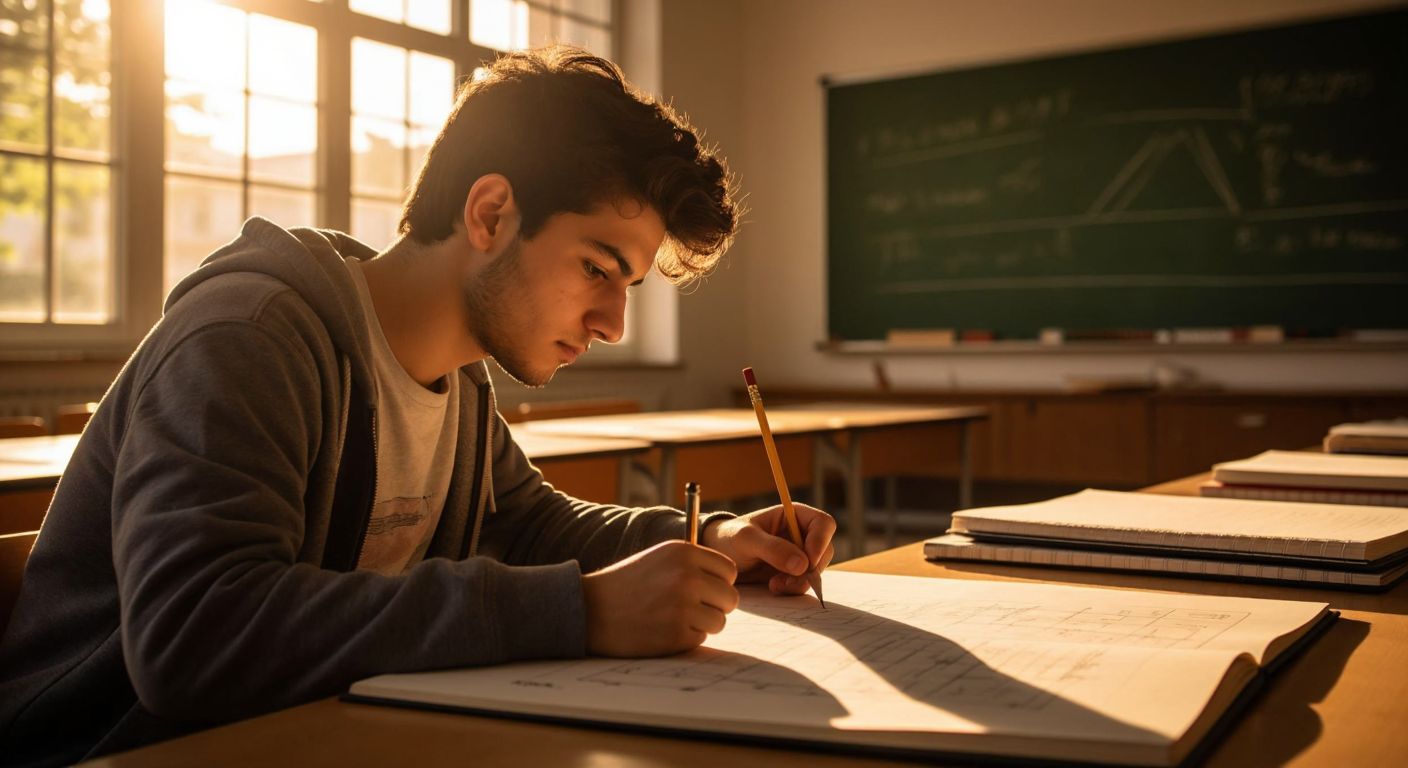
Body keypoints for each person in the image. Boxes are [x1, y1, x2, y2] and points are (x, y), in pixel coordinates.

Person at [0, 46, 836, 766]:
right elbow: (193, 636)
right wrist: (577, 611)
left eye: (628, 285)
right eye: (597, 267)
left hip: (308, 734)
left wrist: (714, 539)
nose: (614, 324)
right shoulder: (248, 339)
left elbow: (532, 523)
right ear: (490, 213)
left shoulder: (460, 376)